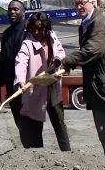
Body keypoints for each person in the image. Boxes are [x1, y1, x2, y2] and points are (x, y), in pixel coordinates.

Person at [62, 0, 105, 156]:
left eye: (83, 2)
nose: (79, 6)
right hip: (96, 82)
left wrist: (68, 60)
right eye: (76, 3)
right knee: (102, 128)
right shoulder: (86, 23)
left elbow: (92, 50)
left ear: (93, 2)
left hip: (102, 84)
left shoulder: (98, 23)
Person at [14, 12, 70, 150]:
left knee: (60, 123)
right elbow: (20, 62)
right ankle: (38, 155)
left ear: (47, 28)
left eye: (40, 29)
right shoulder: (27, 43)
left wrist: (58, 58)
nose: (37, 32)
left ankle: (67, 153)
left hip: (52, 89)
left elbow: (60, 51)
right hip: (36, 91)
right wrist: (20, 80)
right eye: (33, 29)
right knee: (35, 125)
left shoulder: (52, 37)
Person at [0, 0, 27, 128]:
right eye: (10, 9)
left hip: (25, 84)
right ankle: (25, 147)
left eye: (16, 9)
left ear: (23, 12)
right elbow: (3, 58)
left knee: (30, 119)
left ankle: (35, 147)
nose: (12, 12)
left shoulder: (29, 31)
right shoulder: (6, 33)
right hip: (11, 84)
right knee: (18, 118)